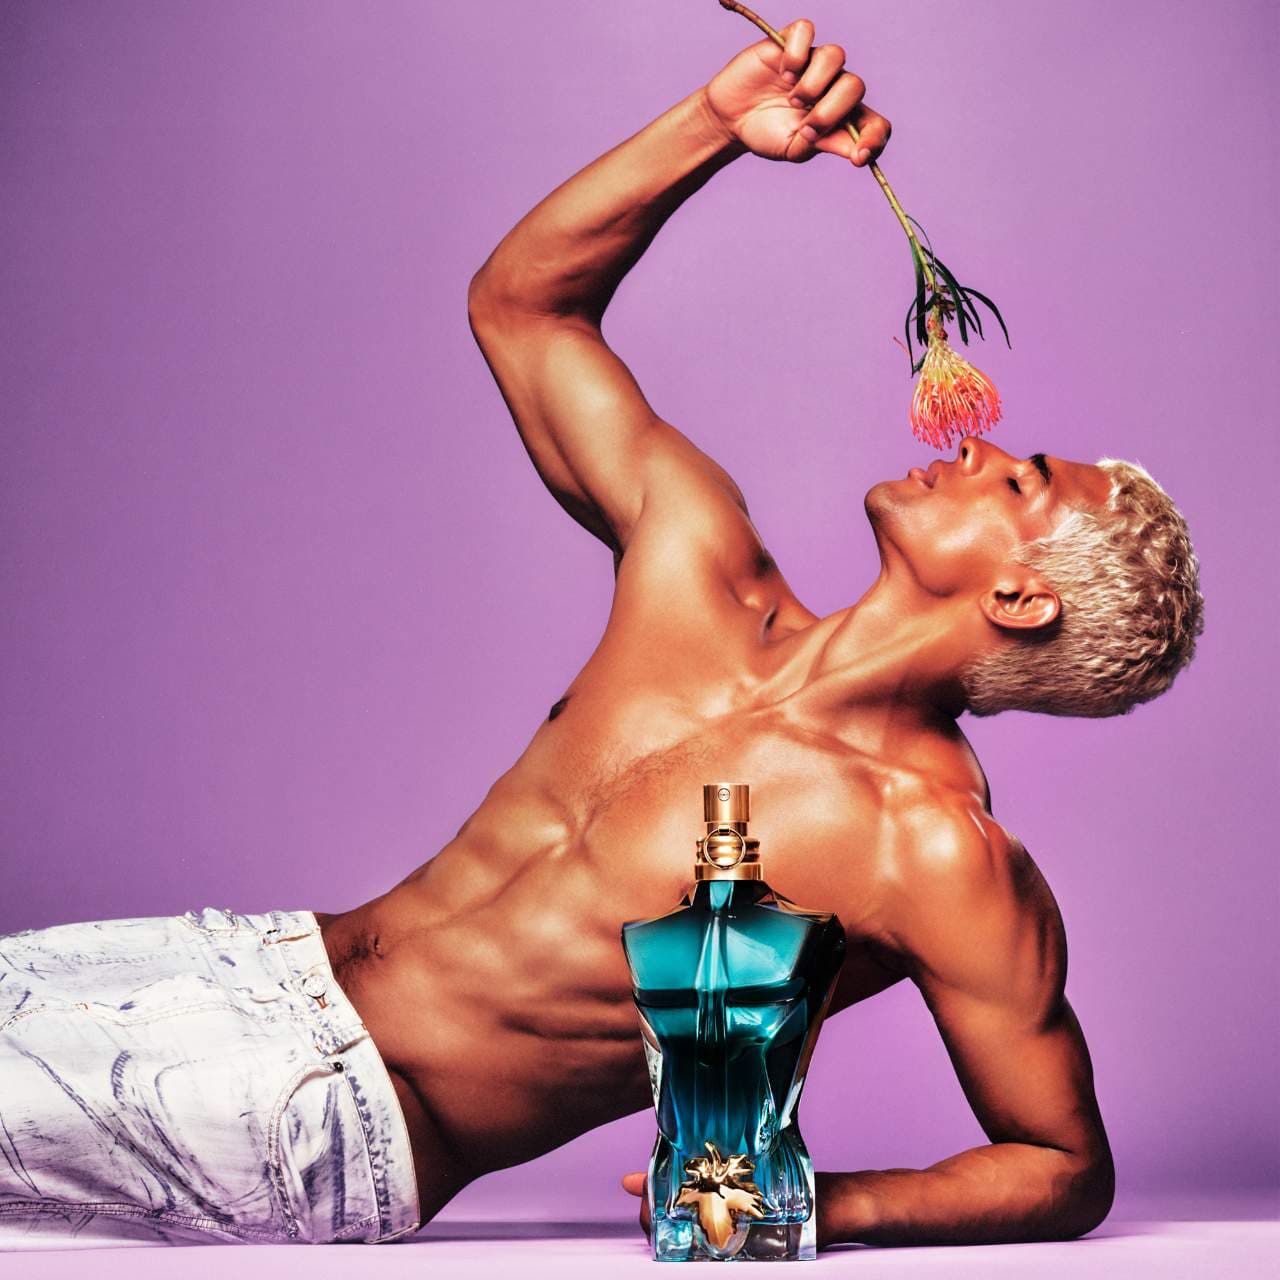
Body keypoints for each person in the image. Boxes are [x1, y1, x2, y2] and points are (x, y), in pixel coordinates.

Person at [0, 17, 1202, 1251]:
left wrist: (805, 1197)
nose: (977, 444)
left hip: (336, 1113)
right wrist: (715, 125)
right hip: (249, 960)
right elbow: (522, 307)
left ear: (1019, 599)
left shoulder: (933, 847)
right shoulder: (697, 560)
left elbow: (1061, 1162)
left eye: (1019, 480)